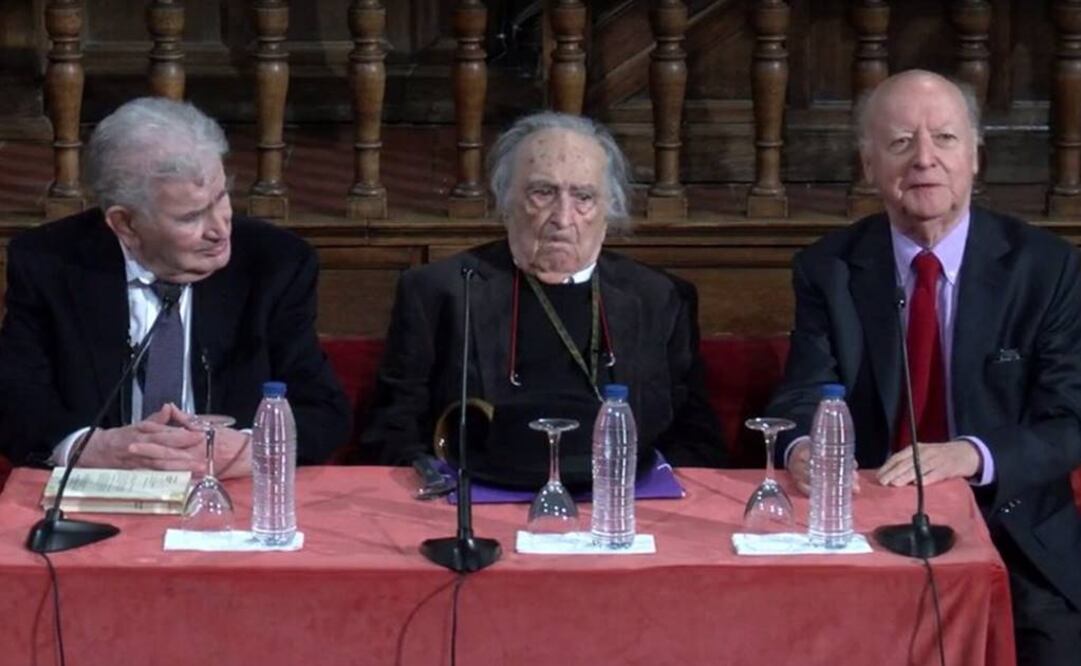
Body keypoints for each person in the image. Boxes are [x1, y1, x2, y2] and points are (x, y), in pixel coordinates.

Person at [767, 70, 1081, 664]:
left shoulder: (1046, 269)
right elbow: (801, 394)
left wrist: (971, 454)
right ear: (869, 166)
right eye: (901, 143)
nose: (925, 161)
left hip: (1013, 533)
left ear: (976, 158)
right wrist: (801, 446)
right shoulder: (829, 268)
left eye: (944, 139)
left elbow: (1070, 421)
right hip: (864, 529)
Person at [361, 111, 724, 487]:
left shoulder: (658, 297)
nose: (562, 218)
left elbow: (696, 438)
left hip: (618, 506)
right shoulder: (443, 291)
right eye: (543, 193)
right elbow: (393, 432)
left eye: (583, 197)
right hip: (479, 498)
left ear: (608, 211)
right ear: (505, 201)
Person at [0, 97, 350, 478]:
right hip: (101, 496)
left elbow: (323, 410)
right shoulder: (50, 264)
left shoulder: (274, 264)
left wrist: (254, 447)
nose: (219, 229)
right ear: (126, 224)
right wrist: (88, 446)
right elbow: (16, 403)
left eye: (221, 198)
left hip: (228, 496)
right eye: (191, 217)